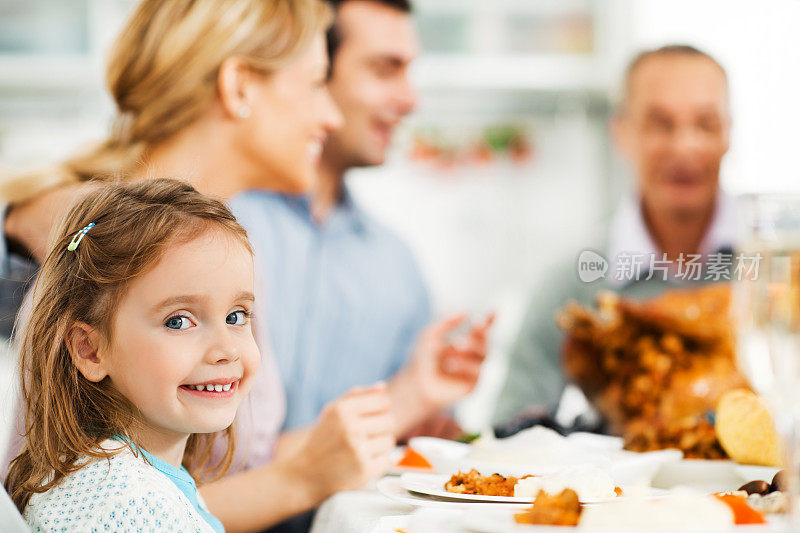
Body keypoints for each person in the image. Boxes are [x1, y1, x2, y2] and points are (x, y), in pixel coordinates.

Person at [0, 1, 400, 531]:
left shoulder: (223, 255)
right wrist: (301, 480)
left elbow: (206, 466)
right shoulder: (85, 242)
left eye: (237, 319)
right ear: (238, 86)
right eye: (315, 83)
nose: (330, 115)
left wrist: (409, 396)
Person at [230, 0, 492, 450]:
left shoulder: (396, 264)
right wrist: (402, 401)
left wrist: (432, 412)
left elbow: (426, 441)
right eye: (384, 69)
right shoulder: (218, 229)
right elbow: (201, 470)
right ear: (313, 70)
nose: (411, 100)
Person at [493, 45, 735, 426]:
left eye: (705, 124)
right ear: (621, 133)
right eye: (661, 124)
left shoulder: (781, 274)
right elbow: (512, 430)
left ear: (728, 134)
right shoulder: (574, 283)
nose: (685, 146)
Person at [5, 179, 259, 531]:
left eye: (236, 316)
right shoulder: (131, 505)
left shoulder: (118, 477)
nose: (227, 349)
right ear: (90, 350)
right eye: (179, 321)